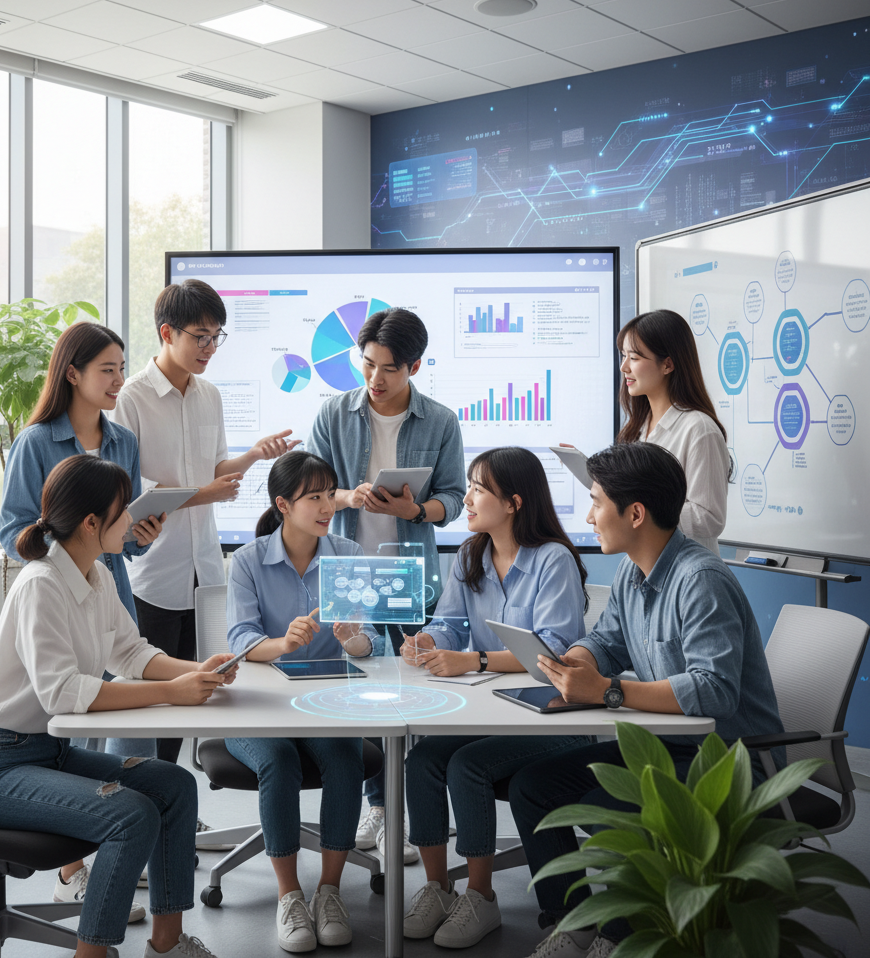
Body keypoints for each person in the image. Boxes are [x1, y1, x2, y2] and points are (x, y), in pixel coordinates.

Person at [0, 454, 239, 958]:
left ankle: (167, 944)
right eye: (122, 510)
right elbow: (63, 693)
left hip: (47, 752)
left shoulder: (97, 575)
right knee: (131, 815)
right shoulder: (41, 585)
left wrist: (195, 671)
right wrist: (172, 692)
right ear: (91, 523)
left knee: (173, 784)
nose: (131, 519)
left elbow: (129, 653)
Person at [511, 442, 784, 958]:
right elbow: (606, 640)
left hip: (723, 761)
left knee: (605, 811)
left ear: (635, 513)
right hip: (661, 748)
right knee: (532, 787)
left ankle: (622, 938)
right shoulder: (633, 574)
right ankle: (573, 924)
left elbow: (715, 691)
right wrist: (579, 658)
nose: (588, 516)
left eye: (596, 502)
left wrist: (609, 690)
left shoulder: (699, 580)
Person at [0, 321, 164, 914]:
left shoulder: (121, 440)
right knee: (65, 719)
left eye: (123, 368)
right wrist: (70, 549)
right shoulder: (38, 441)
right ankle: (72, 867)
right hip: (56, 586)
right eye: (108, 370)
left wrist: (138, 533)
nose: (120, 380)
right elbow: (13, 529)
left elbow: (126, 536)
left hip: (109, 583)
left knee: (94, 732)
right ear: (73, 373)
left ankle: (106, 851)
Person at [397, 447, 588, 948]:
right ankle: (438, 888)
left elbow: (557, 652)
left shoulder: (554, 560)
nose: (469, 498)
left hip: (550, 720)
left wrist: (476, 661)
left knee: (468, 766)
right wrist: (429, 642)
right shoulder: (470, 554)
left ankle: (479, 896)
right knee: (421, 762)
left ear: (515, 503)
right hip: (488, 708)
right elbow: (448, 624)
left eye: (480, 489)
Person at [113, 278, 299, 774]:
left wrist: (254, 456)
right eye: (201, 336)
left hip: (203, 569)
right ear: (167, 332)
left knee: (190, 696)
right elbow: (136, 489)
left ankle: (166, 796)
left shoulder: (209, 395)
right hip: (153, 571)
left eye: (217, 336)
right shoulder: (131, 399)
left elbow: (216, 470)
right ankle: (133, 800)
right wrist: (205, 494)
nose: (210, 347)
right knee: (148, 698)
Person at [308, 306, 466, 862]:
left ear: (415, 366)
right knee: (361, 697)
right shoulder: (333, 413)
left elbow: (455, 499)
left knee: (413, 700)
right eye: (367, 364)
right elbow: (313, 488)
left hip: (411, 576)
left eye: (388, 369)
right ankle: (378, 810)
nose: (374, 379)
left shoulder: (441, 421)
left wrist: (416, 509)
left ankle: (412, 814)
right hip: (349, 572)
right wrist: (349, 497)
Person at [224, 451, 374, 953]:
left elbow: (372, 641)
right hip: (258, 705)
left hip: (327, 701)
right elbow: (241, 637)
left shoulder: (348, 554)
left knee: (344, 754)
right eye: (314, 496)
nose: (327, 504)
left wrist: (352, 637)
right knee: (279, 759)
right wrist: (282, 644)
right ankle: (289, 894)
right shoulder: (248, 560)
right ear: (283, 504)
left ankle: (329, 891)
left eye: (330, 493)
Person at [615, 309, 730, 554]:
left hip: (687, 571)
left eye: (634, 358)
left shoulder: (699, 429)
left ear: (667, 364)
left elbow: (709, 518)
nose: (624, 367)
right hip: (647, 566)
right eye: (623, 356)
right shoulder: (637, 428)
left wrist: (645, 510)